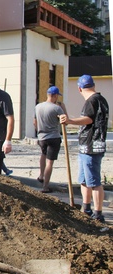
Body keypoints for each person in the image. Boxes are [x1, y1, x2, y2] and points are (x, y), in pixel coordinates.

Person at [60, 75, 109, 223]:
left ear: (79, 88)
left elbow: (89, 119)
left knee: (93, 181)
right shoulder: (102, 100)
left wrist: (70, 121)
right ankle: (86, 208)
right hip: (88, 146)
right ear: (92, 85)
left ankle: (98, 213)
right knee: (84, 180)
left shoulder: (92, 101)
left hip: (91, 147)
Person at [34, 86, 65, 193]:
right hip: (53, 137)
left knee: (43, 154)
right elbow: (65, 120)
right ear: (55, 96)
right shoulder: (57, 108)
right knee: (49, 162)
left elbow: (35, 122)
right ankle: (45, 187)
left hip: (41, 137)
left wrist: (39, 131)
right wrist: (63, 108)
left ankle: (41, 176)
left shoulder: (38, 107)